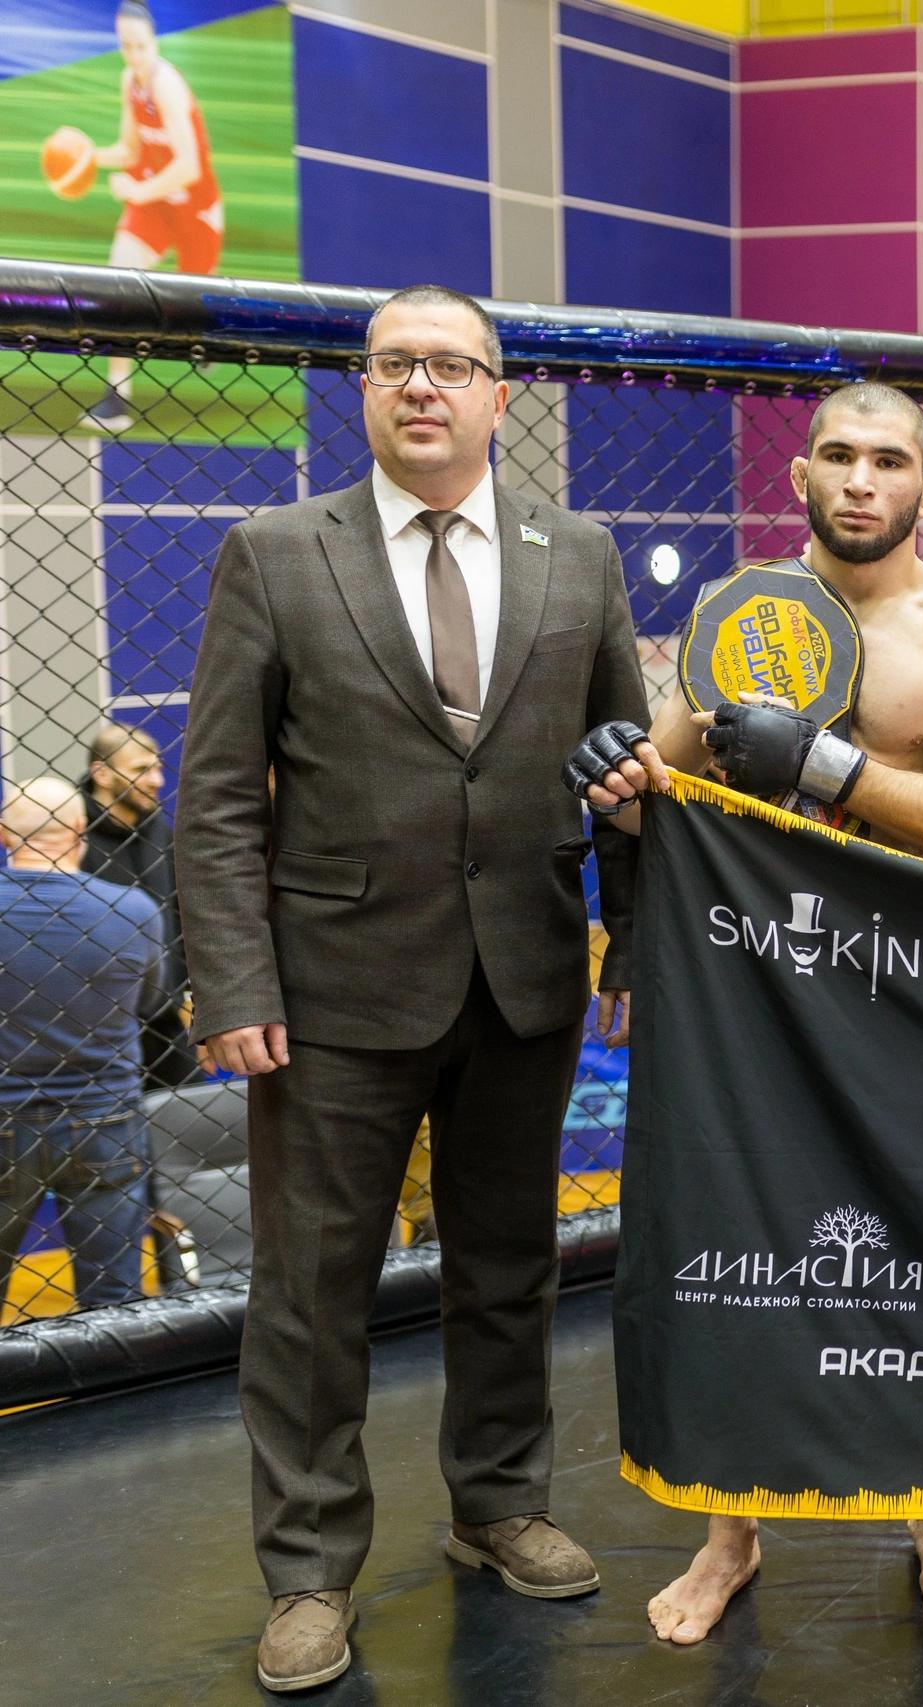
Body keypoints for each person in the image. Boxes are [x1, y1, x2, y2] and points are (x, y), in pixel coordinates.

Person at [177, 284, 650, 1693]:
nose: (420, 387)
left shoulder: (580, 555)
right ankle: (309, 1569)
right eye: (393, 365)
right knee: (310, 1292)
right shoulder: (276, 553)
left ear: (501, 394)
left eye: (449, 365)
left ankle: (499, 1503)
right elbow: (217, 794)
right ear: (365, 391)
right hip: (329, 993)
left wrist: (632, 943)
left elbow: (627, 764)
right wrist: (232, 980)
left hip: (524, 977)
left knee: (509, 1267)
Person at [566, 380, 923, 1637]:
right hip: (756, 984)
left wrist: (827, 763)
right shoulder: (742, 613)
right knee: (735, 1247)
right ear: (800, 476)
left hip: (909, 983)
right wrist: (613, 780)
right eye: (838, 455)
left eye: (888, 461)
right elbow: (660, 794)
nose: (860, 480)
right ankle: (729, 1537)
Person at [0, 776, 166, 1312]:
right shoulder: (133, 910)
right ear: (79, 828)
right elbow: (150, 1001)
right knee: (114, 1299)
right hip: (104, 1115)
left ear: (3, 834)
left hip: (4, 1113)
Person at [86, 1, 224, 431]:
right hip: (155, 206)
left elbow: (189, 166)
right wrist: (87, 156)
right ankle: (117, 398)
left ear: (155, 42)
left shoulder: (168, 85)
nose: (133, 56)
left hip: (195, 208)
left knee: (195, 313)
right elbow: (130, 150)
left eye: (140, 46)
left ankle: (204, 338)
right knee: (119, 284)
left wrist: (137, 189)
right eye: (125, 46)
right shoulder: (130, 81)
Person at [82, 720, 191, 1090]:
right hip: (97, 1024)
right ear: (101, 773)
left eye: (157, 768)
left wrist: (189, 999)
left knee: (189, 1114)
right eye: (140, 770)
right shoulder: (72, 833)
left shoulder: (160, 831)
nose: (157, 780)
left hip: (166, 1018)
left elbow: (182, 917)